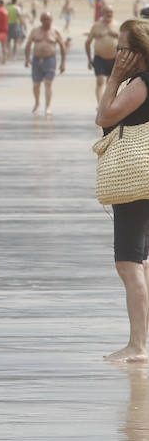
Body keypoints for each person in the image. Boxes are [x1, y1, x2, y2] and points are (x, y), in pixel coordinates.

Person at [97, 19, 149, 362]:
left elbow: (105, 116)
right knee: (141, 262)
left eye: (122, 48)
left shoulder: (141, 83)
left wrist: (114, 79)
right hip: (144, 177)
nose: (117, 55)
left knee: (128, 263)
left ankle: (137, 346)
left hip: (135, 177)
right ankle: (140, 342)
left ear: (137, 52)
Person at [24, 11, 66, 118]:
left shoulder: (55, 31)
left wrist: (63, 63)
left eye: (48, 19)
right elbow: (28, 45)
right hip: (36, 60)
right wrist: (27, 58)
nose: (46, 21)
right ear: (41, 20)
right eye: (44, 19)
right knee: (36, 84)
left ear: (51, 20)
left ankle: (48, 107)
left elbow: (62, 47)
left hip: (50, 60)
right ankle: (37, 102)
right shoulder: (35, 31)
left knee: (48, 83)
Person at [88, 6, 119, 101]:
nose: (109, 14)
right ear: (102, 13)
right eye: (107, 12)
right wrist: (89, 59)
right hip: (99, 57)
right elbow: (88, 42)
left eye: (111, 12)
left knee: (111, 83)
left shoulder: (117, 25)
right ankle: (100, 104)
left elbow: (125, 42)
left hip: (114, 58)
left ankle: (108, 103)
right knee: (100, 81)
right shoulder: (96, 26)